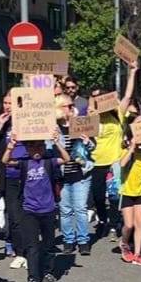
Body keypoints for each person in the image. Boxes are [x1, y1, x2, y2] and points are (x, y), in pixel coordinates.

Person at [3, 131, 70, 282]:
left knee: (48, 245)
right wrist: (10, 146)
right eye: (32, 146)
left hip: (48, 209)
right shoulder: (24, 163)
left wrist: (56, 143)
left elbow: (67, 159)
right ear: (27, 148)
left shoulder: (49, 161)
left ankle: (47, 272)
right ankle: (33, 278)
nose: (37, 149)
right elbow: (5, 161)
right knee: (32, 246)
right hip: (29, 211)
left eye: (40, 145)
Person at [90, 62, 137, 242]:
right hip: (97, 162)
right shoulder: (92, 118)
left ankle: (116, 223)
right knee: (98, 196)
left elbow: (127, 95)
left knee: (115, 195)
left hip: (116, 161)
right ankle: (103, 220)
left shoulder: (117, 114)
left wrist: (133, 72)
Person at [0, 91, 29, 267]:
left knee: (29, 214)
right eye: (5, 102)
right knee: (14, 215)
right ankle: (20, 252)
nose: (7, 106)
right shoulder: (1, 121)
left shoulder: (29, 120)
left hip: (29, 174)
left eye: (11, 103)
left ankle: (31, 247)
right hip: (9, 176)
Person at [56, 97, 95, 256]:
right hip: (63, 175)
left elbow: (93, 147)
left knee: (80, 208)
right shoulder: (54, 128)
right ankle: (68, 240)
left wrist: (87, 142)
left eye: (72, 105)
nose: (71, 108)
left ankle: (83, 240)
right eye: (67, 106)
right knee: (65, 210)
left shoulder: (80, 124)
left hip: (81, 173)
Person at [119, 123, 141, 266]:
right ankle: (124, 242)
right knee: (129, 225)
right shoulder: (125, 152)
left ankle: (138, 254)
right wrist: (131, 148)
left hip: (140, 192)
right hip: (127, 192)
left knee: (139, 223)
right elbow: (122, 164)